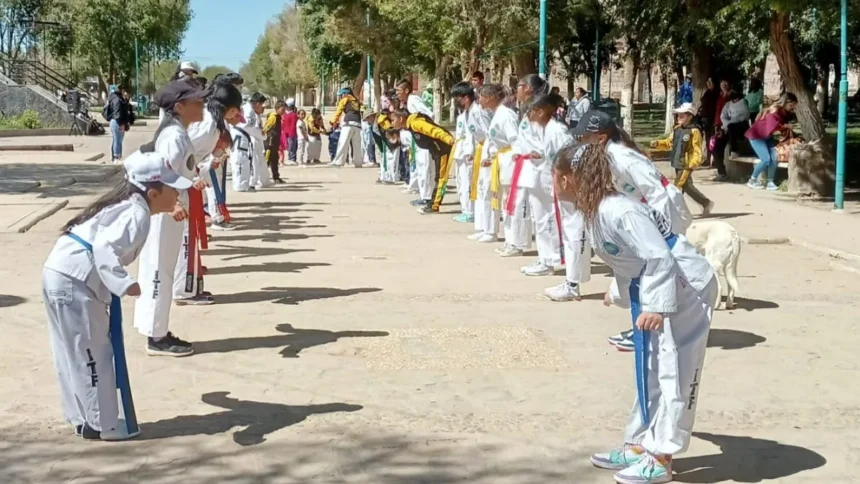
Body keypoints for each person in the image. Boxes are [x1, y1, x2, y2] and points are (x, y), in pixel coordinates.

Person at [553, 142, 717, 484]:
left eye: (553, 176)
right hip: (657, 282)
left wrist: (656, 305)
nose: (551, 184)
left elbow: (659, 256)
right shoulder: (596, 209)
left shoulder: (618, 210)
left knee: (674, 368)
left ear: (568, 180)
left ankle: (662, 456)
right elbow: (628, 257)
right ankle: (641, 443)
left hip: (684, 285)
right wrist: (620, 292)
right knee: (651, 365)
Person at [43, 151, 192, 441]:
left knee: (70, 351)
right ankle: (102, 424)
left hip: (60, 272)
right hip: (74, 280)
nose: (176, 192)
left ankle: (84, 418)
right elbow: (103, 248)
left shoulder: (129, 205)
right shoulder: (137, 214)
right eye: (172, 187)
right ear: (153, 191)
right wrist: (124, 283)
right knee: (92, 353)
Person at [572, 109, 694, 351]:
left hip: (663, 216)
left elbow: (657, 195)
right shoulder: (608, 155)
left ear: (601, 137)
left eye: (584, 137)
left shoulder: (623, 158)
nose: (581, 142)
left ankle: (656, 332)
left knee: (658, 269)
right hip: (645, 218)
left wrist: (660, 233)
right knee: (641, 271)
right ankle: (650, 328)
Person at [132, 78, 207, 357]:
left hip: (169, 208)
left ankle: (155, 329)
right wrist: (173, 204)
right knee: (158, 271)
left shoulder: (178, 132)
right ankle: (157, 337)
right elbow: (158, 173)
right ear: (180, 106)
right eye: (196, 102)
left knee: (159, 267)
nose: (201, 106)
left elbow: (177, 171)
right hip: (165, 211)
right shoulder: (173, 136)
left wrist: (192, 181)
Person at [500, 75, 546, 271]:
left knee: (541, 215)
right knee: (521, 206)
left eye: (518, 86)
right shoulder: (526, 110)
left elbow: (544, 140)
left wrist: (535, 154)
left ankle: (545, 258)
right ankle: (524, 246)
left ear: (527, 88)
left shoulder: (540, 110)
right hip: (525, 164)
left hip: (538, 166)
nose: (515, 90)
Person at [523, 92, 569, 280]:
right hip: (544, 180)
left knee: (550, 221)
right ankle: (544, 258)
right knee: (540, 221)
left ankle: (550, 260)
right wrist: (539, 154)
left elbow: (567, 155)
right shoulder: (546, 129)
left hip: (556, 183)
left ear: (541, 111)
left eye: (531, 111)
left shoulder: (557, 130)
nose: (529, 115)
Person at [469, 84, 516, 244]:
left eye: (481, 96)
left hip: (506, 160)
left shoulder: (506, 115)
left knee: (504, 198)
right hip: (495, 159)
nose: (479, 100)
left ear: (489, 98)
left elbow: (514, 140)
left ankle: (510, 239)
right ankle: (487, 229)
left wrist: (495, 156)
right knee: (489, 193)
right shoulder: (496, 114)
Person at [388, 107, 454, 214]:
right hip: (437, 151)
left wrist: (450, 140)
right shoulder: (411, 125)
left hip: (443, 150)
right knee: (437, 177)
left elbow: (434, 130)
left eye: (393, 120)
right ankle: (433, 203)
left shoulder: (416, 123)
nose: (392, 123)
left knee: (440, 178)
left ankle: (434, 205)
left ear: (400, 119)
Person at [651, 103, 713, 215]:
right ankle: (705, 203)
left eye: (682, 116)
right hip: (677, 162)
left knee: (677, 186)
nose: (679, 118)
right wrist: (658, 143)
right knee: (687, 187)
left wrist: (694, 162)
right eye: (678, 115)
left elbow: (697, 149)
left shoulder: (694, 131)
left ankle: (674, 212)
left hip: (686, 164)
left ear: (690, 116)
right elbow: (670, 143)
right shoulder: (677, 129)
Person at [745, 92, 797, 191]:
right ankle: (752, 180)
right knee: (766, 159)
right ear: (786, 102)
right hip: (756, 136)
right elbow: (772, 126)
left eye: (794, 106)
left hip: (766, 136)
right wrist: (785, 126)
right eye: (791, 105)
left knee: (774, 157)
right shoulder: (774, 111)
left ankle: (770, 182)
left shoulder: (783, 112)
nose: (792, 108)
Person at [395, 79, 433, 197]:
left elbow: (428, 114)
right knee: (417, 165)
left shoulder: (413, 100)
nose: (397, 93)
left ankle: (426, 197)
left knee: (424, 167)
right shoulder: (408, 102)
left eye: (398, 90)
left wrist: (420, 128)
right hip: (415, 138)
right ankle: (420, 191)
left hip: (423, 138)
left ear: (406, 90)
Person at [450, 81, 477, 222]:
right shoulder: (466, 113)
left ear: (465, 98)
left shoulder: (475, 112)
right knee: (461, 182)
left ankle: (470, 211)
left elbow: (474, 135)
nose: (456, 102)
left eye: (457, 99)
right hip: (463, 150)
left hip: (470, 152)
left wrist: (470, 152)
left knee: (468, 182)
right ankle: (466, 209)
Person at [712, 90, 751, 181]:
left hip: (740, 128)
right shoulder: (728, 104)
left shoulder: (744, 103)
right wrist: (727, 125)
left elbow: (744, 116)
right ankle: (722, 172)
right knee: (716, 146)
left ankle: (734, 150)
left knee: (732, 128)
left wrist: (731, 123)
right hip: (727, 128)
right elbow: (723, 116)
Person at [239, 92, 272, 190]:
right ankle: (253, 183)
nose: (263, 108)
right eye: (262, 105)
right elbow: (248, 127)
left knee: (259, 162)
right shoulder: (249, 112)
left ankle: (263, 181)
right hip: (251, 140)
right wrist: (263, 135)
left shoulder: (252, 111)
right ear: (257, 104)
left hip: (255, 140)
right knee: (254, 163)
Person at [330, 87, 363, 168]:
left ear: (345, 94)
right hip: (358, 124)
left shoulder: (345, 100)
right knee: (357, 145)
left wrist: (333, 122)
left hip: (348, 123)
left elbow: (339, 111)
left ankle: (339, 162)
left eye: (341, 95)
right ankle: (358, 163)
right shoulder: (357, 101)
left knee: (343, 143)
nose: (341, 96)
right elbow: (362, 111)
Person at [105, 85, 133, 162]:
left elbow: (125, 110)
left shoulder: (119, 98)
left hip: (118, 121)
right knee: (117, 140)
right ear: (121, 90)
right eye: (125, 91)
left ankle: (116, 157)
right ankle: (116, 157)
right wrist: (121, 123)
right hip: (117, 122)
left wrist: (127, 100)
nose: (126, 93)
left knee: (117, 140)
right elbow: (117, 112)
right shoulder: (117, 99)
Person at [263, 101, 287, 183]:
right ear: (277, 109)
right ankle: (262, 177)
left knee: (275, 160)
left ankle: (276, 177)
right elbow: (266, 128)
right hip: (270, 143)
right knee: (267, 160)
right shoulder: (273, 117)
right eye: (282, 109)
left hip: (275, 143)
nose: (284, 111)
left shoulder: (279, 117)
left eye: (285, 109)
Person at [281, 99, 298, 165]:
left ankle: (292, 158)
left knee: (292, 146)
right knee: (288, 146)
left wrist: (292, 133)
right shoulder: (285, 114)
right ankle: (290, 158)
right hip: (286, 133)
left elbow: (293, 125)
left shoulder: (293, 114)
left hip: (292, 133)